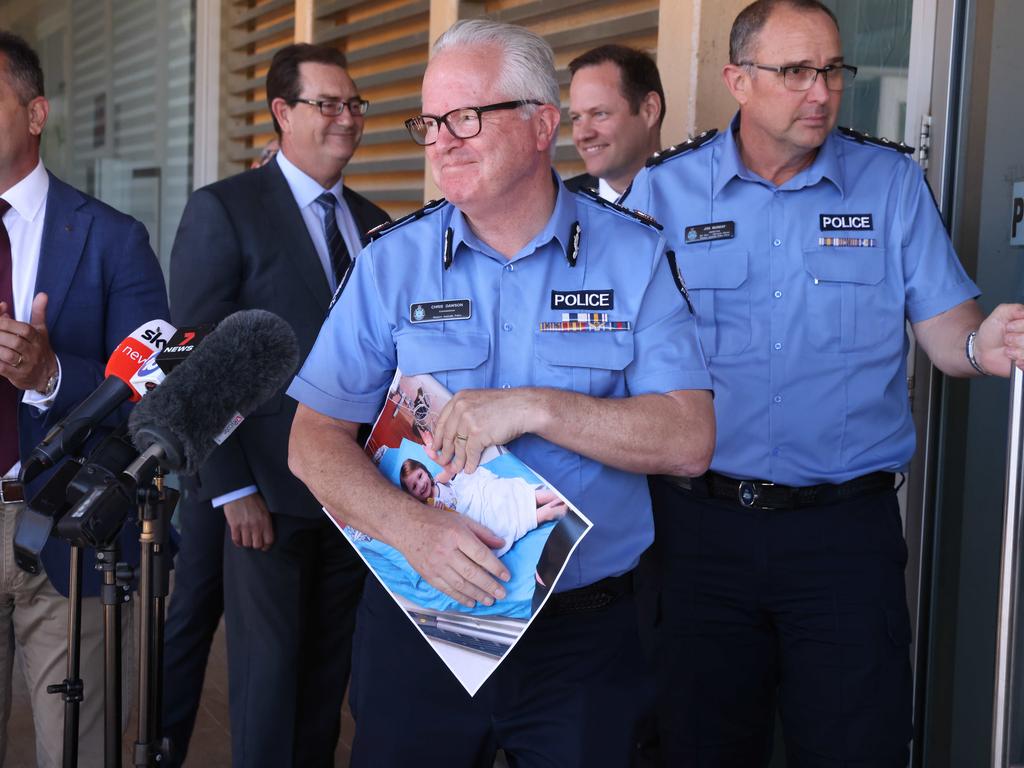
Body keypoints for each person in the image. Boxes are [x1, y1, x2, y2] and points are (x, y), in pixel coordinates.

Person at [287, 19, 715, 767]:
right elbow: (312, 441)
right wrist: (413, 532)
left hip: (580, 640)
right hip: (422, 625)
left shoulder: (635, 255)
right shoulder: (393, 262)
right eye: (430, 122)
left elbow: (688, 441)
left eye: (467, 117)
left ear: (542, 124)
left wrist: (538, 404)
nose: (442, 140)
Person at [623, 1, 1024, 765]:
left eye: (834, 70)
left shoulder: (890, 183)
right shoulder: (664, 193)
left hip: (844, 539)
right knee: (696, 746)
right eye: (797, 71)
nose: (822, 92)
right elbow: (620, 358)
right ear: (738, 80)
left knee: (856, 746)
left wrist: (986, 341)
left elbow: (947, 331)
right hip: (699, 535)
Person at [163, 43, 388, 768]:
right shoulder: (224, 209)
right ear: (282, 113)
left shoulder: (376, 223)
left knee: (327, 682)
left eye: (354, 104)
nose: (346, 118)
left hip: (354, 496)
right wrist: (230, 488)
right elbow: (195, 361)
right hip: (261, 494)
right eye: (328, 104)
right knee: (266, 689)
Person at [0, 30, 168, 767]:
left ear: (35, 114)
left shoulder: (113, 239)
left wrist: (49, 377)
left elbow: (150, 401)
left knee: (79, 751)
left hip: (65, 534)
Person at [399, 457, 567, 557]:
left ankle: (542, 497)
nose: (421, 485)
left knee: (500, 493)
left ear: (425, 472)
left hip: (469, 498)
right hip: (464, 516)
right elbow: (449, 520)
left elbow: (450, 471)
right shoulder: (430, 508)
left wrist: (435, 456)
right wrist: (441, 511)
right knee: (494, 520)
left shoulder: (438, 481)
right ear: (412, 496)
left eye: (420, 476)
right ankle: (543, 514)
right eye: (414, 487)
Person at [565, 44, 665, 201]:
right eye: (576, 118)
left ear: (650, 110)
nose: (583, 134)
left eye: (600, 114)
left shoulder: (703, 198)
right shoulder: (555, 207)